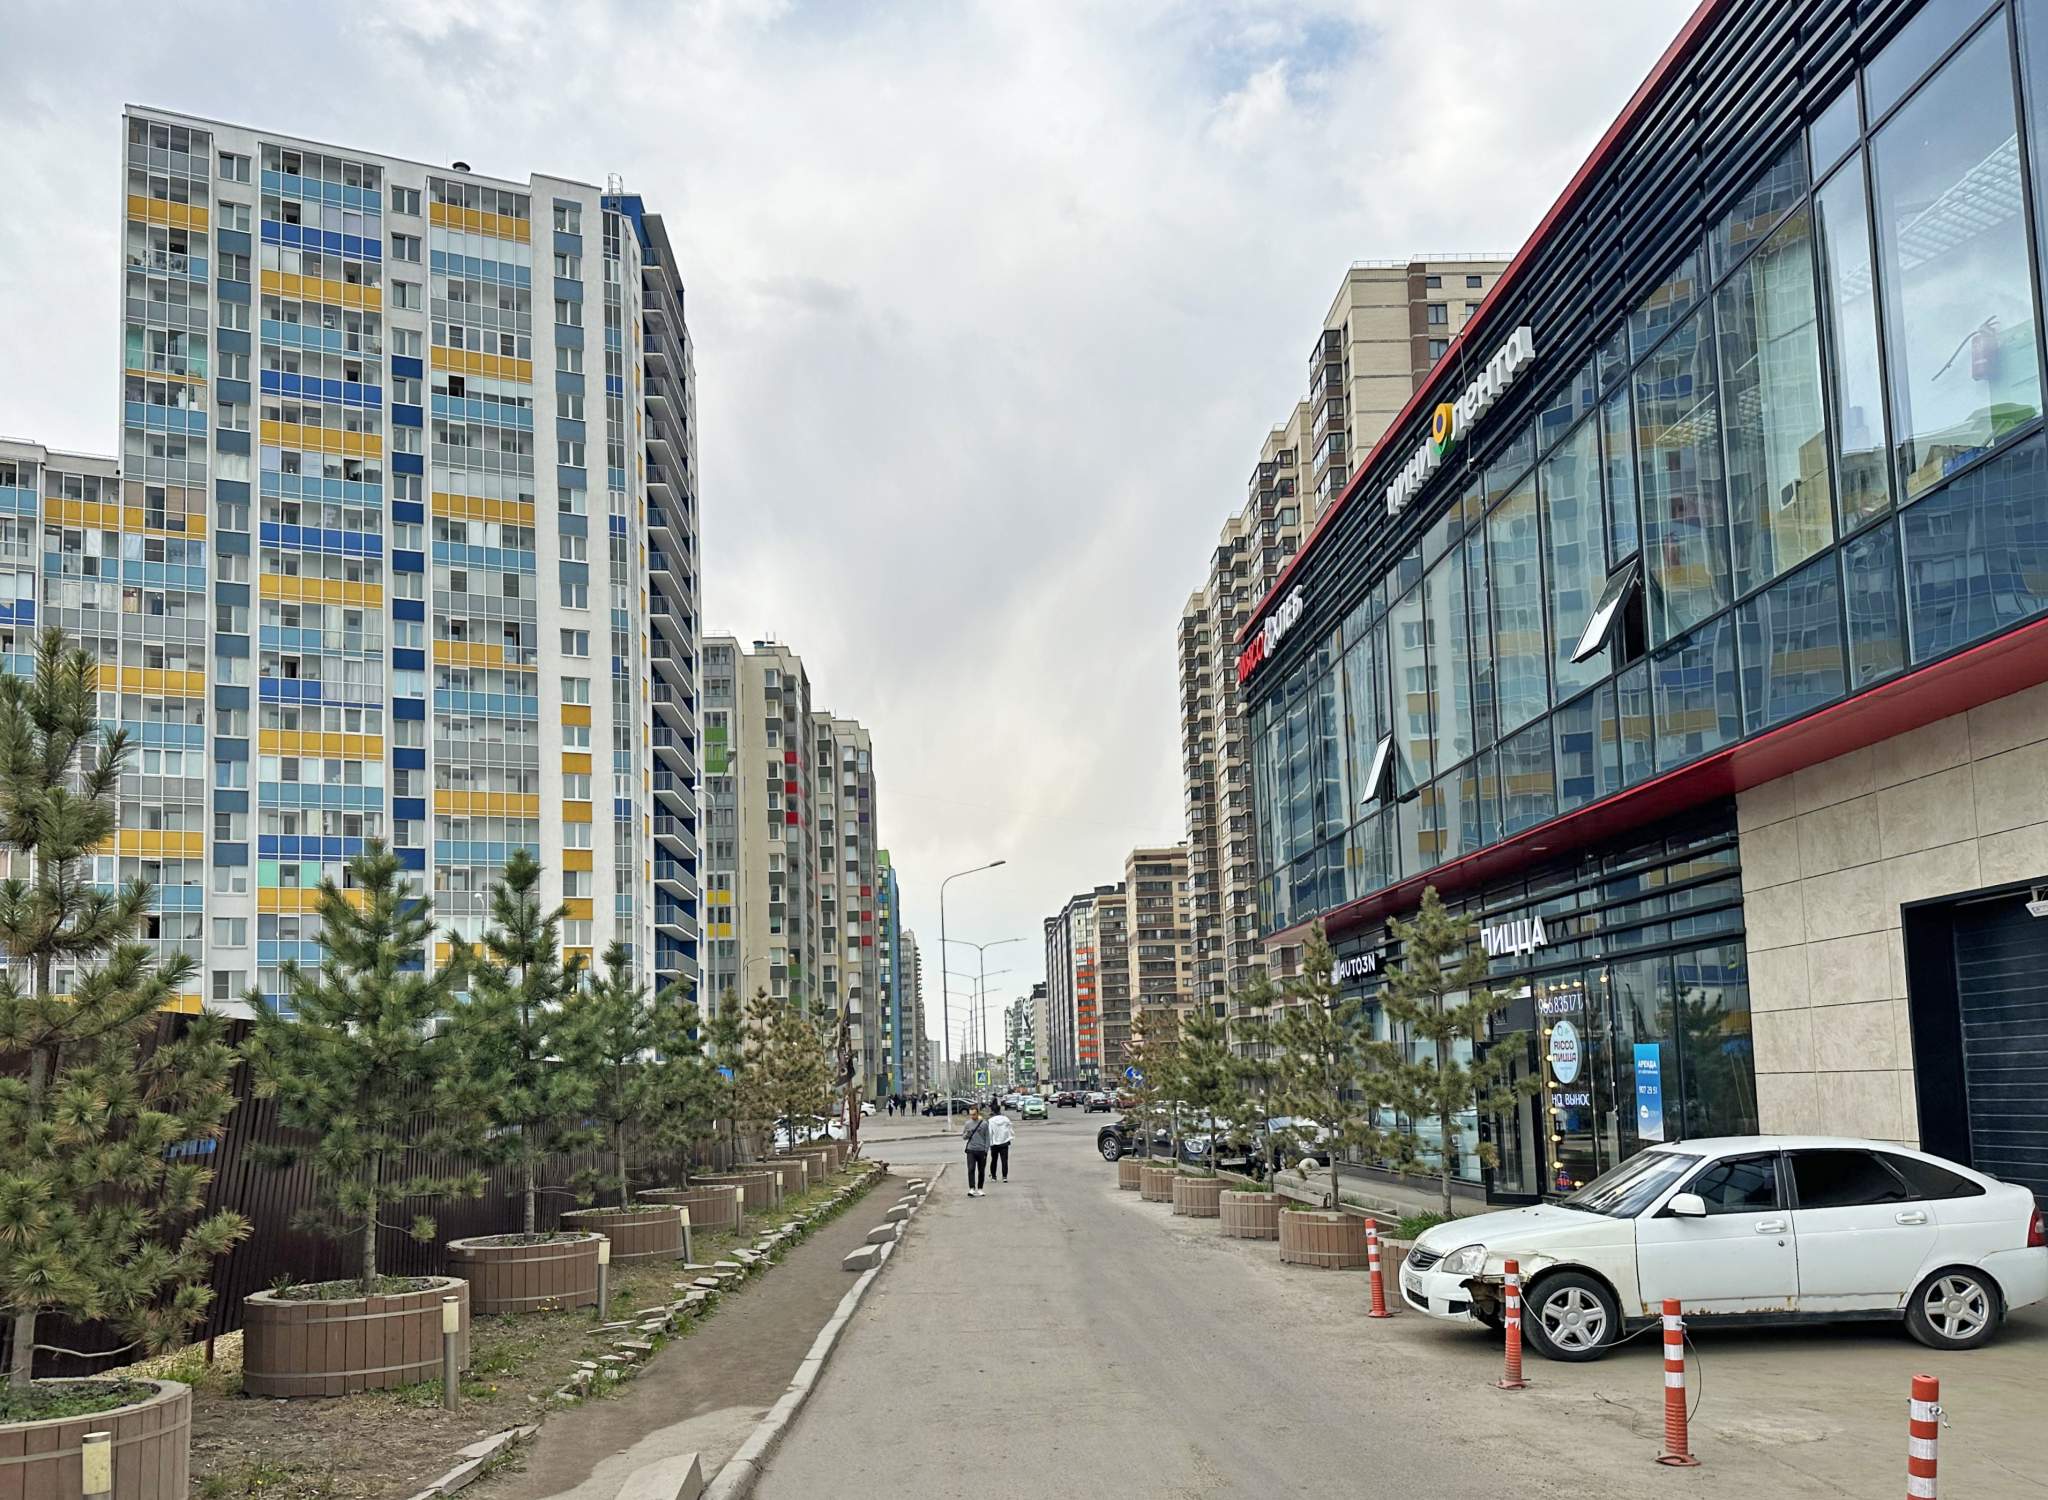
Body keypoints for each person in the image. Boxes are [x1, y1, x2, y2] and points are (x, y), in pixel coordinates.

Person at [962, 1108, 990, 1197]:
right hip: (971, 1150)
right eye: (971, 1114)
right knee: (971, 1169)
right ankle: (972, 1188)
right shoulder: (967, 1124)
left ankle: (980, 1188)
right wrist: (968, 1133)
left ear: (978, 1114)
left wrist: (986, 1150)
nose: (972, 1116)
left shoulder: (984, 1124)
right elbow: (964, 1137)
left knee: (981, 1170)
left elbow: (987, 1137)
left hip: (981, 1150)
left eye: (974, 1114)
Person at [986, 1105, 1013, 1185]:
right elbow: (1009, 1129)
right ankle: (1004, 1177)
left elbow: (990, 1133)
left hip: (994, 1143)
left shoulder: (991, 1121)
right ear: (999, 1110)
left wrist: (990, 1143)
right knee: (1004, 1160)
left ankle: (994, 1176)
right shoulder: (1005, 1119)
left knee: (994, 1160)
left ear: (992, 1111)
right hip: (1004, 1142)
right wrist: (1009, 1137)